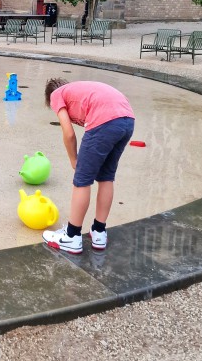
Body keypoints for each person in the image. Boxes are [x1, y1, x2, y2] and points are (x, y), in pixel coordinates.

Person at [42, 78, 135, 254]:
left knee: (82, 180)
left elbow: (68, 133)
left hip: (105, 121)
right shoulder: (79, 90)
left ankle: (72, 236)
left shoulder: (56, 95)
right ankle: (99, 232)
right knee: (106, 176)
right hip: (128, 120)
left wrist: (73, 159)